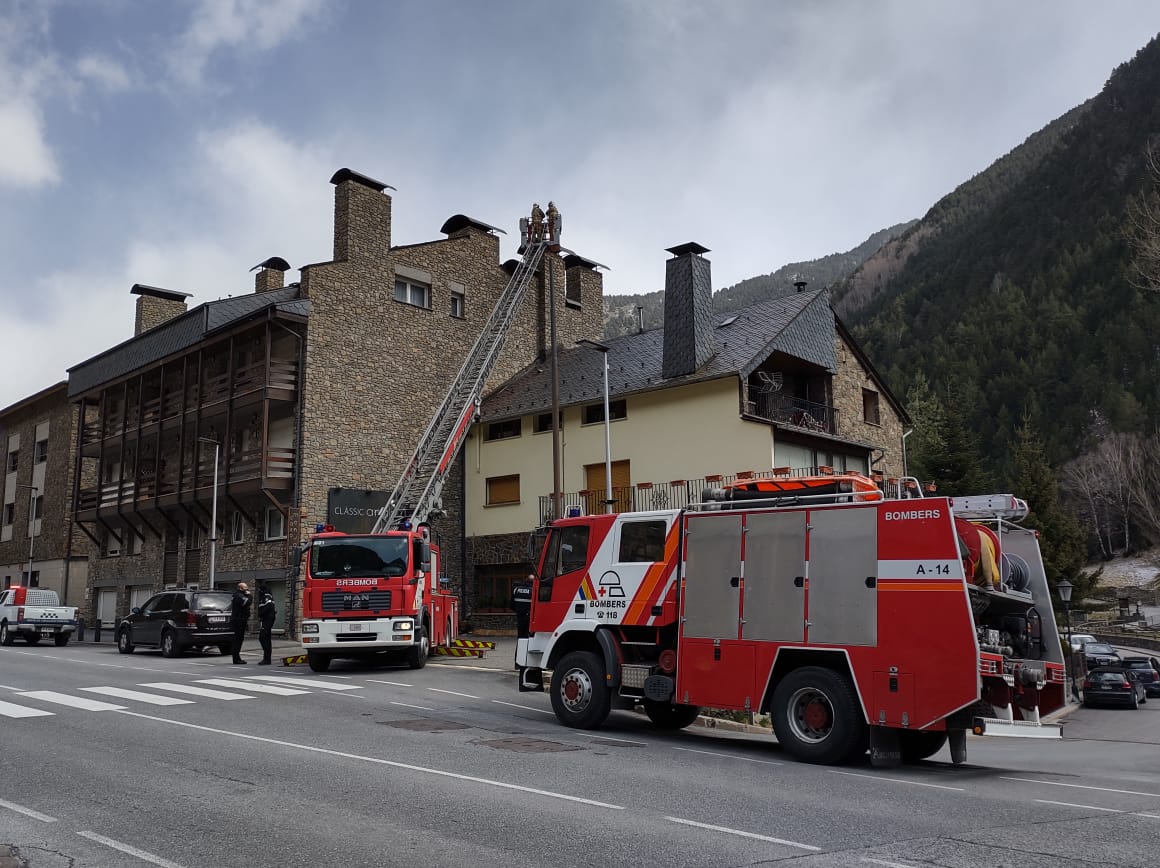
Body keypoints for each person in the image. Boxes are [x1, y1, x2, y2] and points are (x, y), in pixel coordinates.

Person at [230, 582, 252, 664]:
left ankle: (237, 657)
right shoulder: (238, 596)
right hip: (238, 620)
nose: (247, 589)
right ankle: (236, 659)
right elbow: (247, 602)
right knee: (238, 639)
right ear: (240, 588)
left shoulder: (239, 595)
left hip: (241, 619)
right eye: (245, 587)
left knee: (239, 639)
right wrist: (249, 595)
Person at [257, 586, 276, 665]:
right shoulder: (265, 596)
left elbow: (269, 606)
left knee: (263, 638)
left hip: (267, 619)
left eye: (259, 590)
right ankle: (266, 658)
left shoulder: (266, 596)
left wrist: (262, 614)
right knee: (265, 638)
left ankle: (267, 658)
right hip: (267, 619)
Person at [511, 574, 533, 639]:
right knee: (527, 636)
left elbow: (511, 605)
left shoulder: (516, 590)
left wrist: (519, 611)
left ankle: (519, 648)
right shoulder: (533, 591)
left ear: (526, 580)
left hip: (520, 616)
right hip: (529, 617)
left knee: (520, 635)